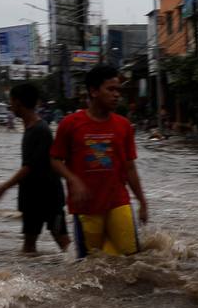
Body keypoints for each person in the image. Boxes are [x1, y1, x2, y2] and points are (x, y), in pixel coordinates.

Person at [50, 65, 150, 257]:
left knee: (132, 260)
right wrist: (73, 180)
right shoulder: (70, 124)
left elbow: (130, 168)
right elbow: (55, 160)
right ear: (94, 91)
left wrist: (142, 202)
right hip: (86, 208)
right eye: (110, 89)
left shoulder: (124, 126)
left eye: (118, 90)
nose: (116, 95)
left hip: (118, 202)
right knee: (91, 267)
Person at [0, 82, 74, 254]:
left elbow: (29, 167)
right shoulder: (31, 128)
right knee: (29, 247)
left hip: (49, 198)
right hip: (32, 197)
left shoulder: (40, 130)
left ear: (18, 102)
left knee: (65, 244)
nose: (10, 106)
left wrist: (3, 188)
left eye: (11, 101)